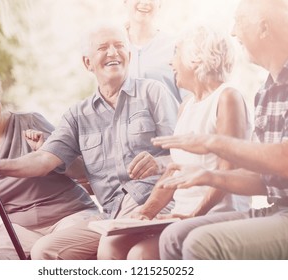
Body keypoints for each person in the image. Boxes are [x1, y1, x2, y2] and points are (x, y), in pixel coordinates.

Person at [0, 24, 179, 259]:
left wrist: (158, 164)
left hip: (156, 203)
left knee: (124, 252)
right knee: (45, 251)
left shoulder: (152, 92)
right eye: (103, 48)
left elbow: (181, 155)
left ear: (128, 56)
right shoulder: (78, 114)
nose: (112, 52)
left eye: (119, 46)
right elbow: (43, 159)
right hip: (111, 217)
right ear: (88, 63)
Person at [152, 0, 288, 259]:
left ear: (263, 28)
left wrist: (212, 143)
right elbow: (263, 180)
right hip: (280, 208)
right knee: (174, 236)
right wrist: (208, 176)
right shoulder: (267, 90)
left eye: (238, 21)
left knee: (200, 244)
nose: (234, 32)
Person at [96, 23, 251, 260]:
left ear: (196, 58)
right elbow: (172, 172)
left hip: (218, 214)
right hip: (184, 215)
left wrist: (192, 216)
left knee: (141, 256)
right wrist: (145, 214)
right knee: (111, 245)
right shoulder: (186, 106)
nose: (171, 63)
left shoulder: (227, 97)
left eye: (176, 52)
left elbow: (225, 171)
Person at [0, 65, 99, 259]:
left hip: (69, 217)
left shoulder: (30, 122)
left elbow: (81, 171)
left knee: (45, 251)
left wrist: (45, 150)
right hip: (22, 232)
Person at [124, 0, 183, 103]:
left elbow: (189, 98)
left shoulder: (175, 46)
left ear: (160, 3)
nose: (145, 2)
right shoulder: (112, 47)